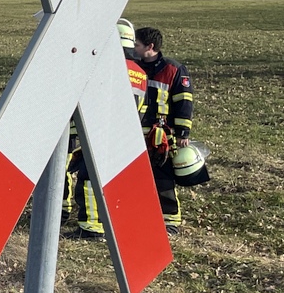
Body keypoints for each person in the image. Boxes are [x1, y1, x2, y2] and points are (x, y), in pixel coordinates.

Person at [66, 19, 148, 237]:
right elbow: (144, 106)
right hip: (126, 135)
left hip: (101, 132)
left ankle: (91, 227)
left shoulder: (106, 67)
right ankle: (114, 223)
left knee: (88, 178)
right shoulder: (140, 72)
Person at [135, 26, 194, 232]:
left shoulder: (173, 70)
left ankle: (170, 222)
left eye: (137, 45)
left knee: (163, 178)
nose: (134, 48)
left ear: (150, 47)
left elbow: (184, 103)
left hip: (160, 134)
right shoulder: (133, 66)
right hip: (134, 132)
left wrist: (183, 133)